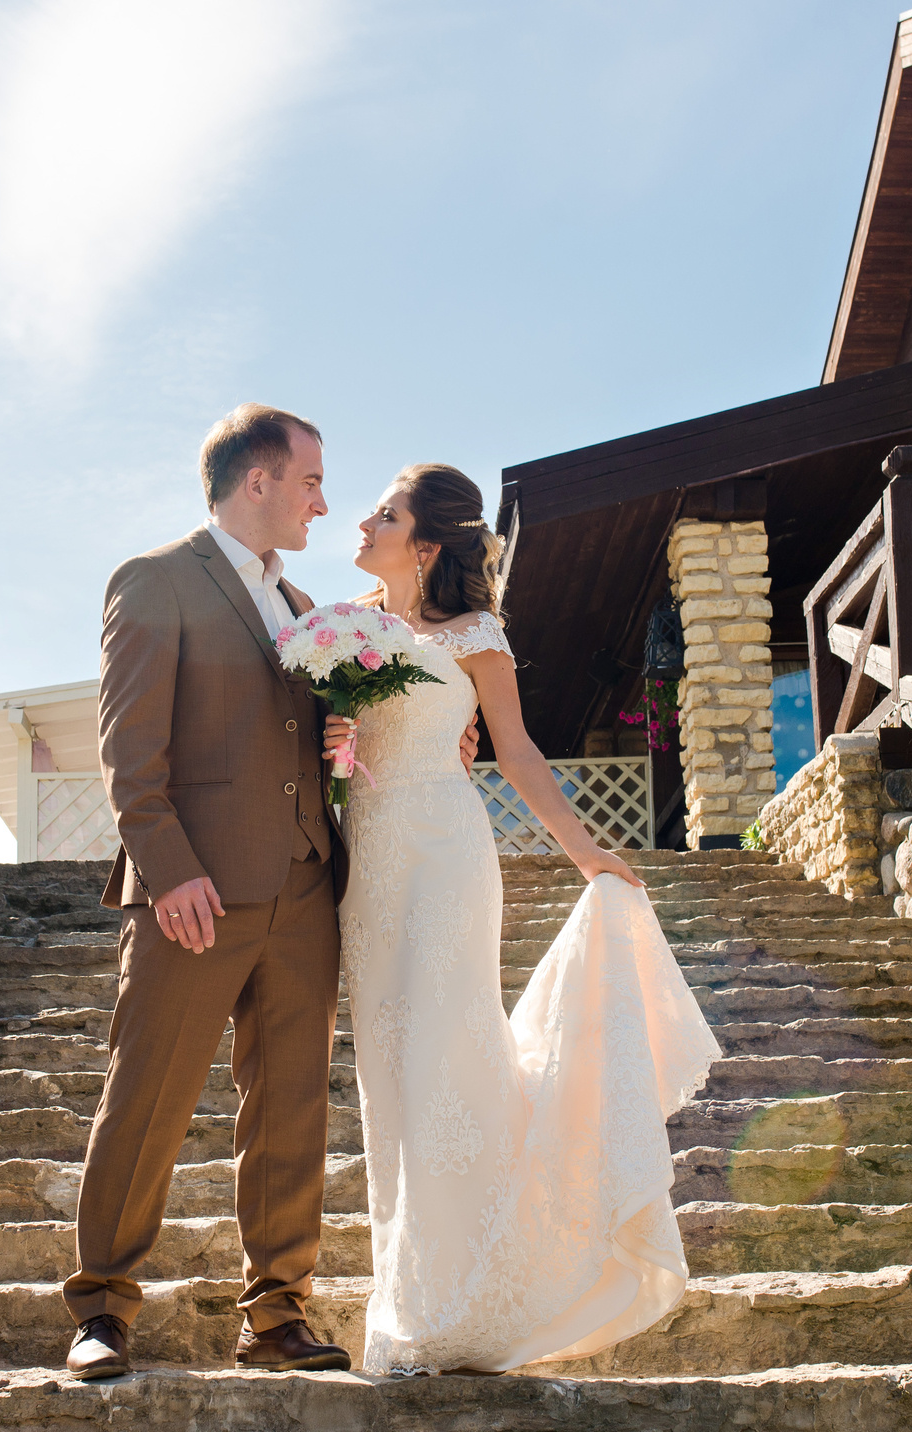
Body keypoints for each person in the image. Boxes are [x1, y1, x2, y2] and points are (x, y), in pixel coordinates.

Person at [331, 463, 720, 1374]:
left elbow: (518, 749)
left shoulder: (475, 634)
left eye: (383, 512)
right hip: (369, 868)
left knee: (449, 1056)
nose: (364, 519)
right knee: (389, 1072)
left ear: (424, 544)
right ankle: (416, 1292)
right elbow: (329, 744)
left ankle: (480, 1289)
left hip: (447, 858)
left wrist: (588, 853)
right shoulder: (338, 630)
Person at [63, 403, 351, 1379]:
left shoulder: (306, 606)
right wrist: (169, 866)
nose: (322, 499)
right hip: (194, 892)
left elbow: (297, 744)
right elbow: (127, 751)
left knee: (292, 1106)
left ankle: (277, 1314)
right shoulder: (153, 582)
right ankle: (101, 1305)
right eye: (310, 479)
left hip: (306, 888)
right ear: (257, 480)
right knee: (147, 1094)